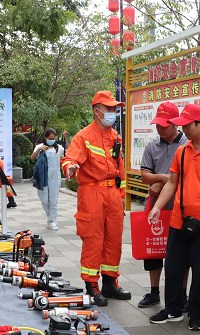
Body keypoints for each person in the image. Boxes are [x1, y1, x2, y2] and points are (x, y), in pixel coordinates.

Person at [148, 104, 200, 330]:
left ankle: (195, 313)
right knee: (173, 267)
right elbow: (172, 183)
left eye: (187, 125)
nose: (183, 130)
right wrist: (157, 207)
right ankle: (173, 309)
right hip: (178, 222)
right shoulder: (182, 152)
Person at [61, 90, 131, 306]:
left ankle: (110, 283)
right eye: (109, 108)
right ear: (97, 111)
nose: (113, 112)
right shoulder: (83, 136)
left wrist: (121, 195)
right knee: (93, 239)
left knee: (114, 239)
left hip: (112, 194)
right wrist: (70, 167)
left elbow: (120, 168)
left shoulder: (115, 136)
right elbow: (70, 158)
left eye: (114, 108)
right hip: (92, 193)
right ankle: (92, 285)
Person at [138, 101, 189, 308]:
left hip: (180, 206)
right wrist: (161, 178)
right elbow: (145, 175)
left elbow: (190, 176)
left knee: (181, 252)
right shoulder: (152, 145)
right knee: (152, 249)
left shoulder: (187, 144)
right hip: (156, 204)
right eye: (157, 124)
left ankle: (182, 294)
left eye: (164, 125)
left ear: (175, 123)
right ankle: (154, 292)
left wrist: (165, 183)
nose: (159, 128)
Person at [30, 128, 65, 231]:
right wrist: (39, 149)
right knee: (44, 199)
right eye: (50, 138)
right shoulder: (40, 147)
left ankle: (52, 221)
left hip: (55, 176)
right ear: (45, 138)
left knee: (53, 200)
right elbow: (32, 158)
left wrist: (66, 139)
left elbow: (69, 153)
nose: (52, 140)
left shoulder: (58, 148)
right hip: (42, 176)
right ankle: (50, 217)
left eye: (53, 138)